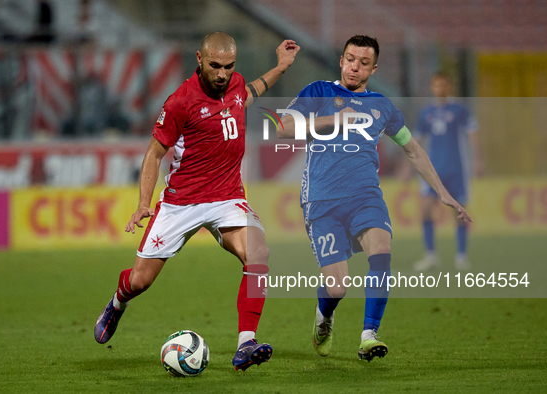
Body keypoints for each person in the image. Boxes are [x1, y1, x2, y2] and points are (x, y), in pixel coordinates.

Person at [94, 32, 300, 371]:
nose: (222, 74)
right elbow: (153, 153)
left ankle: (245, 344)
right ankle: (117, 303)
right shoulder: (180, 102)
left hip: (227, 196)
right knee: (140, 281)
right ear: (199, 60)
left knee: (258, 253)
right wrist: (143, 202)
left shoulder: (234, 84)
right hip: (181, 203)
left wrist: (280, 67)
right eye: (215, 66)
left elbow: (247, 94)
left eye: (229, 67)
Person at [276, 35, 471, 362]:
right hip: (321, 202)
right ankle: (324, 316)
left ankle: (369, 335)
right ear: (341, 60)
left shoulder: (382, 106)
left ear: (373, 68)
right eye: (351, 59)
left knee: (381, 250)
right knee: (337, 288)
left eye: (364, 63)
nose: (355, 67)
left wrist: (443, 192)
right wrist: (332, 121)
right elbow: (282, 127)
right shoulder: (319, 91)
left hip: (366, 198)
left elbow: (412, 149)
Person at [412, 72, 483, 272]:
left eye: (443, 85)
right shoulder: (426, 112)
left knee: (459, 212)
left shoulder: (460, 110)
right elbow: (417, 141)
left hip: (456, 169)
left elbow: (472, 134)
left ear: (448, 87)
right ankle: (430, 256)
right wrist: (407, 165)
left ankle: (461, 257)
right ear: (432, 88)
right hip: (432, 170)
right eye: (436, 85)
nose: (440, 89)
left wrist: (477, 159)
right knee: (425, 209)